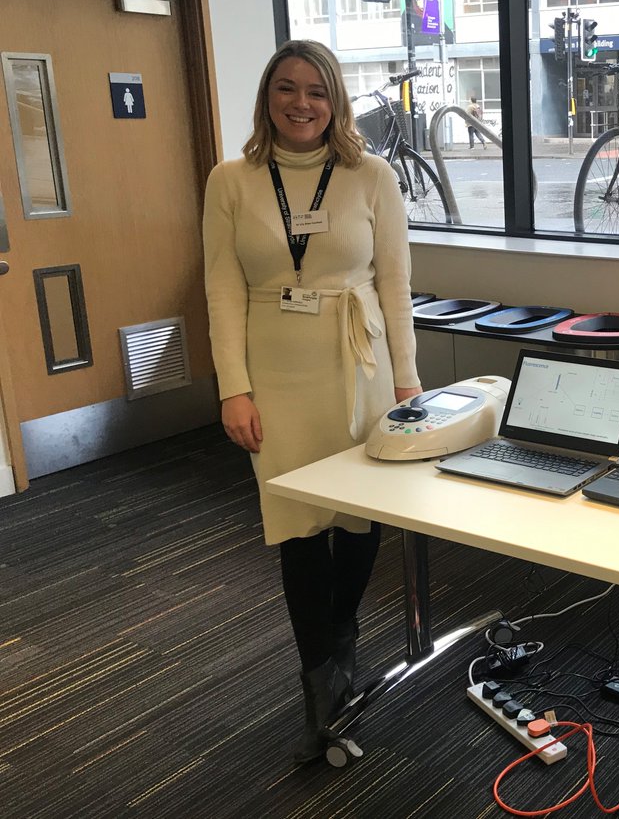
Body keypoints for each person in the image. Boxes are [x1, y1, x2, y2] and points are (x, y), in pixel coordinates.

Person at [202, 39, 421, 765]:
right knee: (297, 523)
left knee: (359, 518)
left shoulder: (371, 176)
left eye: (317, 91)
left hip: (357, 363)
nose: (302, 104)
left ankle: (341, 637)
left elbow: (395, 284)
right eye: (287, 90)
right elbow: (222, 289)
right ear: (268, 98)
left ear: (337, 100)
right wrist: (233, 386)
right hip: (274, 370)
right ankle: (321, 676)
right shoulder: (232, 180)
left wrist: (408, 380)